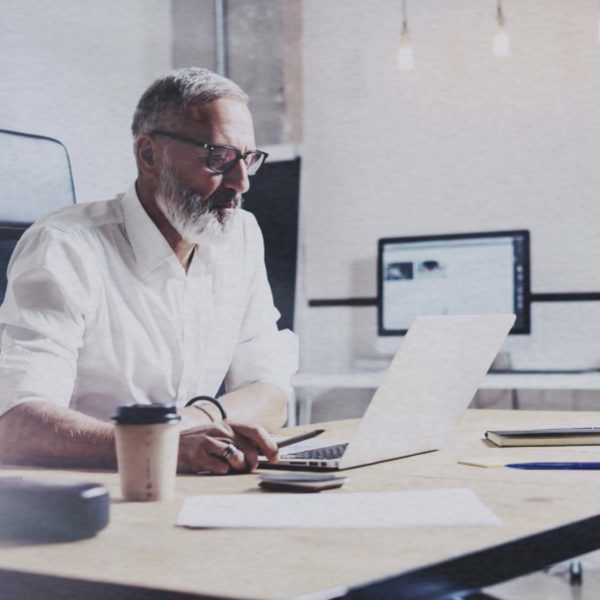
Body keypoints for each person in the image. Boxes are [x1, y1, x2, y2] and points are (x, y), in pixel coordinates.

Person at [0, 67, 298, 474]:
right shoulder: (64, 245)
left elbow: (270, 390)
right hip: (88, 499)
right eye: (219, 157)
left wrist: (194, 423)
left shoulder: (240, 237)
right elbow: (14, 425)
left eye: (247, 159)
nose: (242, 182)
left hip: (191, 487)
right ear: (148, 155)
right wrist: (162, 446)